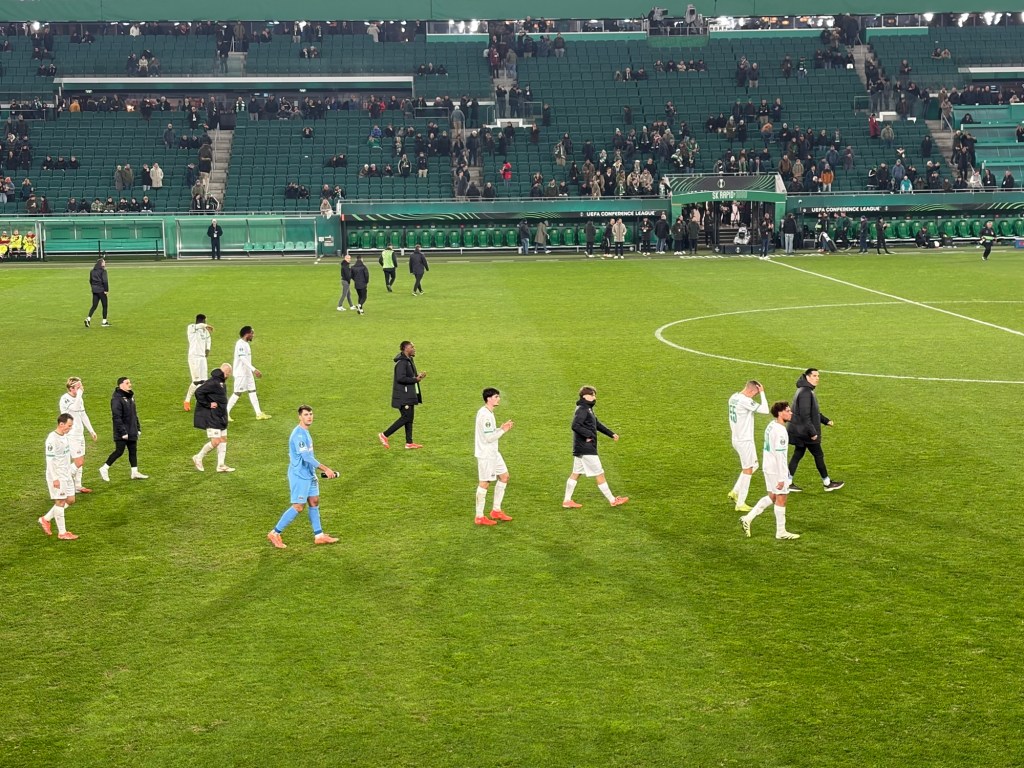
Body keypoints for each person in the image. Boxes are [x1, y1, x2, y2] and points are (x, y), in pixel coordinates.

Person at [266, 405, 340, 549]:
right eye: (306, 414)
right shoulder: (298, 435)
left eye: (311, 414)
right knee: (299, 506)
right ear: (300, 417)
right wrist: (325, 468)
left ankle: (319, 536)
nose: (309, 417)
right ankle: (274, 533)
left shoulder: (305, 432)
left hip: (309, 474)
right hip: (299, 475)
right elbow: (306, 457)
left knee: (314, 501)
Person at [739, 402, 800, 540]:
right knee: (781, 498)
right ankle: (781, 532)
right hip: (776, 470)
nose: (791, 413)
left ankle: (747, 518)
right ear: (780, 413)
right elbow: (780, 456)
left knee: (772, 496)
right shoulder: (781, 432)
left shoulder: (771, 425)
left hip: (768, 467)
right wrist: (782, 478)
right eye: (787, 411)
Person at [562, 386, 628, 508]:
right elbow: (575, 425)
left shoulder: (587, 409)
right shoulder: (582, 409)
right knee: (599, 473)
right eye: (592, 395)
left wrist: (611, 434)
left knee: (576, 473)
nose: (594, 397)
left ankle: (567, 501)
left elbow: (596, 424)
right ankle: (613, 500)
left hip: (581, 448)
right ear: (585, 396)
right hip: (586, 448)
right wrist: (588, 435)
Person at [787, 368, 843, 492]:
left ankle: (788, 482)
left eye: (818, 376)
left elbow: (814, 413)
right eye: (814, 376)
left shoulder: (804, 390)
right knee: (818, 455)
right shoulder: (806, 393)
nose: (817, 378)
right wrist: (813, 433)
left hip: (800, 431)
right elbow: (805, 415)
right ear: (807, 377)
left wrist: (826, 421)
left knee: (798, 454)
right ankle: (827, 483)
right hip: (805, 432)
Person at [474, 387, 515, 526]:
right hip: (486, 455)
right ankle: (479, 516)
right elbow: (489, 438)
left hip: (493, 453)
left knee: (504, 476)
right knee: (485, 482)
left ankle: (496, 510)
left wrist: (500, 428)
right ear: (489, 399)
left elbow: (490, 433)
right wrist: (503, 430)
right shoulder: (486, 415)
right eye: (496, 397)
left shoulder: (487, 412)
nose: (499, 399)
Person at [727, 380, 769, 512]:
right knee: (748, 469)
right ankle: (740, 503)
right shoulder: (745, 400)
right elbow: (765, 410)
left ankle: (735, 491)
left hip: (736, 438)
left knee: (754, 465)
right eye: (755, 394)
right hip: (744, 440)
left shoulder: (733, 397)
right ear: (751, 391)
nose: (754, 397)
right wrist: (762, 393)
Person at [98, 377, 148, 482]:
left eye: (129, 382)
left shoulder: (130, 397)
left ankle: (134, 472)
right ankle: (104, 468)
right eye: (127, 383)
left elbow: (134, 414)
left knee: (133, 450)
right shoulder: (116, 399)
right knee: (119, 451)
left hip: (132, 429)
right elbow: (116, 417)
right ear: (121, 385)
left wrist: (138, 427)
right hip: (122, 431)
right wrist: (123, 432)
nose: (130, 384)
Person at [378, 340, 426, 450]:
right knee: (406, 417)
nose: (414, 349)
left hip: (409, 394)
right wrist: (415, 379)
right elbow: (400, 378)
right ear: (406, 349)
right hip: (404, 395)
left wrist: (418, 377)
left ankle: (409, 443)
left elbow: (410, 376)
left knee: (409, 418)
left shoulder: (409, 360)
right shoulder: (402, 363)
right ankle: (384, 435)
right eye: (412, 347)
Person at [40, 413, 79, 540]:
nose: (70, 428)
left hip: (66, 474)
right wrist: (55, 478)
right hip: (57, 475)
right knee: (60, 502)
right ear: (61, 424)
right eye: (69, 426)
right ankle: (62, 533)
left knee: (71, 500)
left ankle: (45, 519)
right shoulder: (52, 439)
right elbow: (50, 461)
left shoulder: (64, 436)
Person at [191, 363, 234, 473]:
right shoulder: (213, 382)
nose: (229, 376)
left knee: (223, 439)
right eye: (229, 373)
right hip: (212, 417)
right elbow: (198, 392)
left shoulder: (221, 383)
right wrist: (208, 404)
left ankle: (221, 465)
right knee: (216, 441)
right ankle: (198, 457)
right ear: (226, 373)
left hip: (221, 416)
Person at [59, 377, 97, 495]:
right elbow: (74, 408)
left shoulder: (79, 398)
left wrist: (91, 431)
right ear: (71, 388)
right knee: (78, 461)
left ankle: (77, 486)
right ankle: (62, 482)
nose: (82, 388)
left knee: (80, 460)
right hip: (71, 434)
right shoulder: (65, 399)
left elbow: (83, 414)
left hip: (79, 434)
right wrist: (79, 394)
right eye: (79, 387)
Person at [227, 326, 271, 420]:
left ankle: (258, 413)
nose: (253, 335)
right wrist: (254, 369)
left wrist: (251, 370)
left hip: (247, 373)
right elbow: (242, 358)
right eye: (252, 333)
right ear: (247, 334)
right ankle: (225, 413)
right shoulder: (240, 344)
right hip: (241, 373)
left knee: (252, 391)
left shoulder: (246, 344)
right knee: (237, 393)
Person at [183, 313, 213, 411]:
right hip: (194, 357)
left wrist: (207, 351)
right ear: (203, 320)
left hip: (202, 358)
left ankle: (201, 401)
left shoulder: (206, 332)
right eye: (205, 321)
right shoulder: (191, 328)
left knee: (204, 381)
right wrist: (206, 325)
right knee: (196, 381)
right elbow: (199, 326)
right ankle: (187, 400)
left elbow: (208, 342)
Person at [84, 258, 110, 328]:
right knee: (105, 305)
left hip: (95, 290)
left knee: (94, 305)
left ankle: (88, 318)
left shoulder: (92, 271)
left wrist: (93, 287)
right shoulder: (103, 271)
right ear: (101, 264)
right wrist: (106, 290)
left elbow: (90, 280)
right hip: (101, 290)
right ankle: (104, 322)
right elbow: (105, 281)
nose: (105, 263)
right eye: (104, 262)